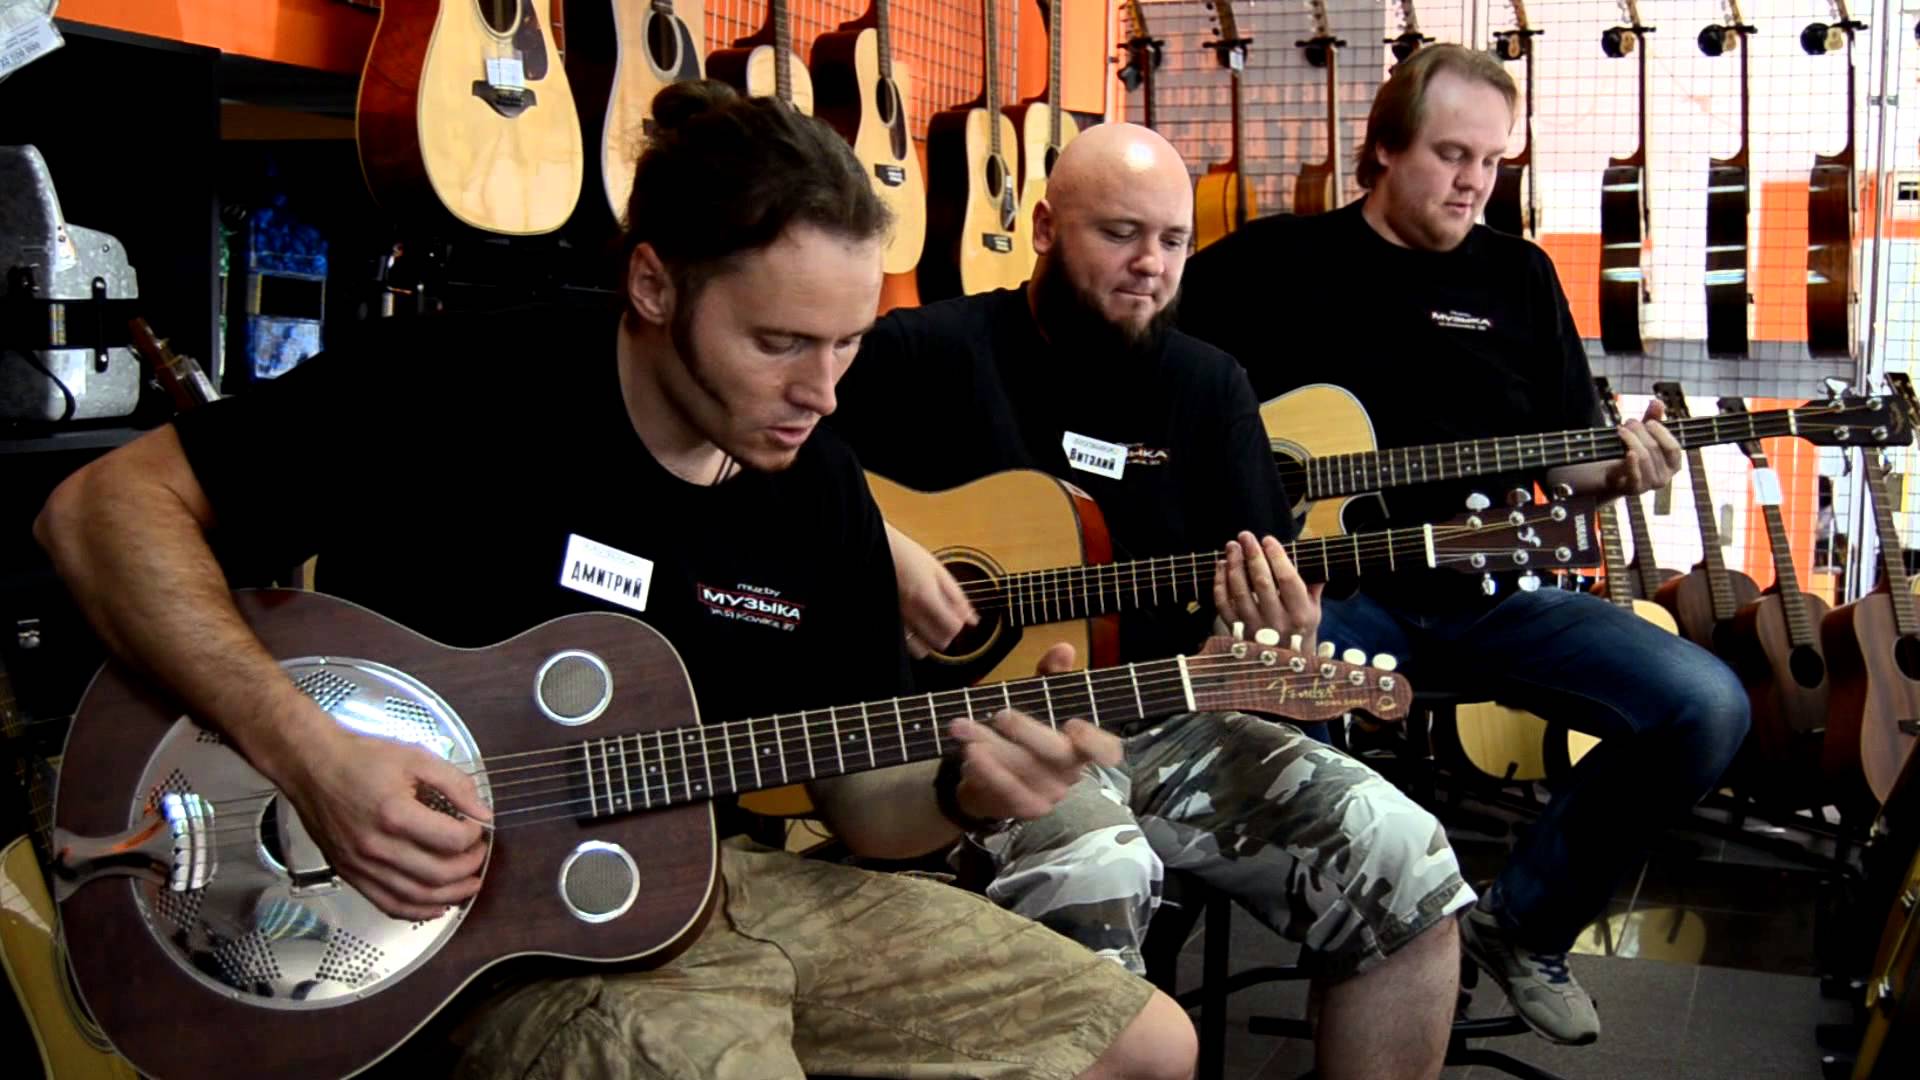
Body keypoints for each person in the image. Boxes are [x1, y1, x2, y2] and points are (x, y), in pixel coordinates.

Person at [32, 82, 1197, 1080]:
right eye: (780, 343)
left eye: (846, 343)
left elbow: (862, 803)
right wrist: (314, 757)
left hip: (713, 887)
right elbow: (98, 512)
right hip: (461, 932)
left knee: (1148, 1047)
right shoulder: (462, 383)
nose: (823, 392)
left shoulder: (820, 487)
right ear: (653, 285)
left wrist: (964, 791)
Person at [827, 123, 1472, 1080]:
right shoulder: (924, 351)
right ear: (1044, 228)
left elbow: (1263, 605)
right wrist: (888, 552)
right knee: (1097, 871)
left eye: (1173, 241)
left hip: (1161, 714)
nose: (1151, 265)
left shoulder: (1208, 387)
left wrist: (1274, 633)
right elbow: (771, 470)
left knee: (1406, 855)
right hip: (976, 732)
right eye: (1120, 233)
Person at [1176, 43, 1752, 1047]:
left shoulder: (1518, 277)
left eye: (1491, 160)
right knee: (1278, 710)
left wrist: (1626, 469)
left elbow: (1571, 461)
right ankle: (1365, 964)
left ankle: (1520, 927)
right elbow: (1159, 400)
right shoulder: (1267, 266)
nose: (1474, 181)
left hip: (1490, 593)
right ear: (1384, 150)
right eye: (1451, 154)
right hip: (1330, 598)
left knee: (1705, 705)